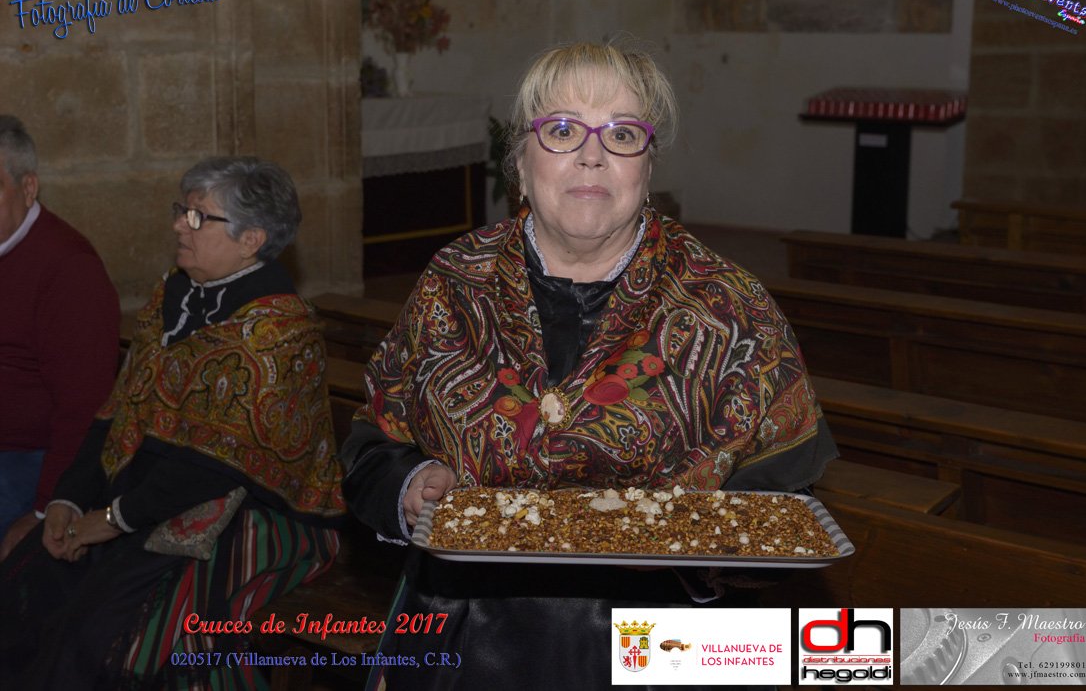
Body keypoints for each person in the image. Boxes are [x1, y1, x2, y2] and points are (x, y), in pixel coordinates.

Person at [340, 40, 839, 689]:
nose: (592, 154)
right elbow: (372, 443)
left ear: (647, 167)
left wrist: (685, 543)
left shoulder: (728, 307)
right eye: (562, 129)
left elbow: (782, 513)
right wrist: (411, 485)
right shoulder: (453, 283)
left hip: (659, 647)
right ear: (521, 162)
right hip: (464, 637)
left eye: (623, 133)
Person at [0, 156, 346, 690]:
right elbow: (119, 409)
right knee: (28, 579)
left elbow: (212, 468)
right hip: (146, 490)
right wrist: (68, 499)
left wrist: (111, 519)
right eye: (181, 210)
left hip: (245, 509)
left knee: (110, 631)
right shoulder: (174, 294)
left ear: (251, 240)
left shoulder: (280, 330)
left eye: (198, 217)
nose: (179, 226)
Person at [0, 115, 120, 560]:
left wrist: (44, 508)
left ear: (28, 188)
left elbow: (85, 407)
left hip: (26, 456)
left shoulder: (69, 269)